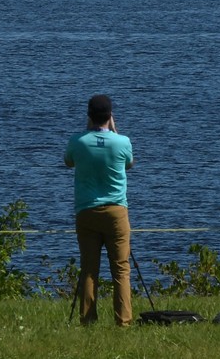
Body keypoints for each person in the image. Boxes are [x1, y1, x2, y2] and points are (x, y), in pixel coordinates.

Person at [64, 93, 135, 327]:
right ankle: (123, 321)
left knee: (89, 269)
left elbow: (68, 162)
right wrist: (113, 132)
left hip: (86, 211)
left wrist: (87, 131)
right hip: (116, 211)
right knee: (121, 269)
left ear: (89, 116)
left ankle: (88, 320)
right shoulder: (122, 141)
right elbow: (129, 163)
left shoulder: (78, 141)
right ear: (110, 116)